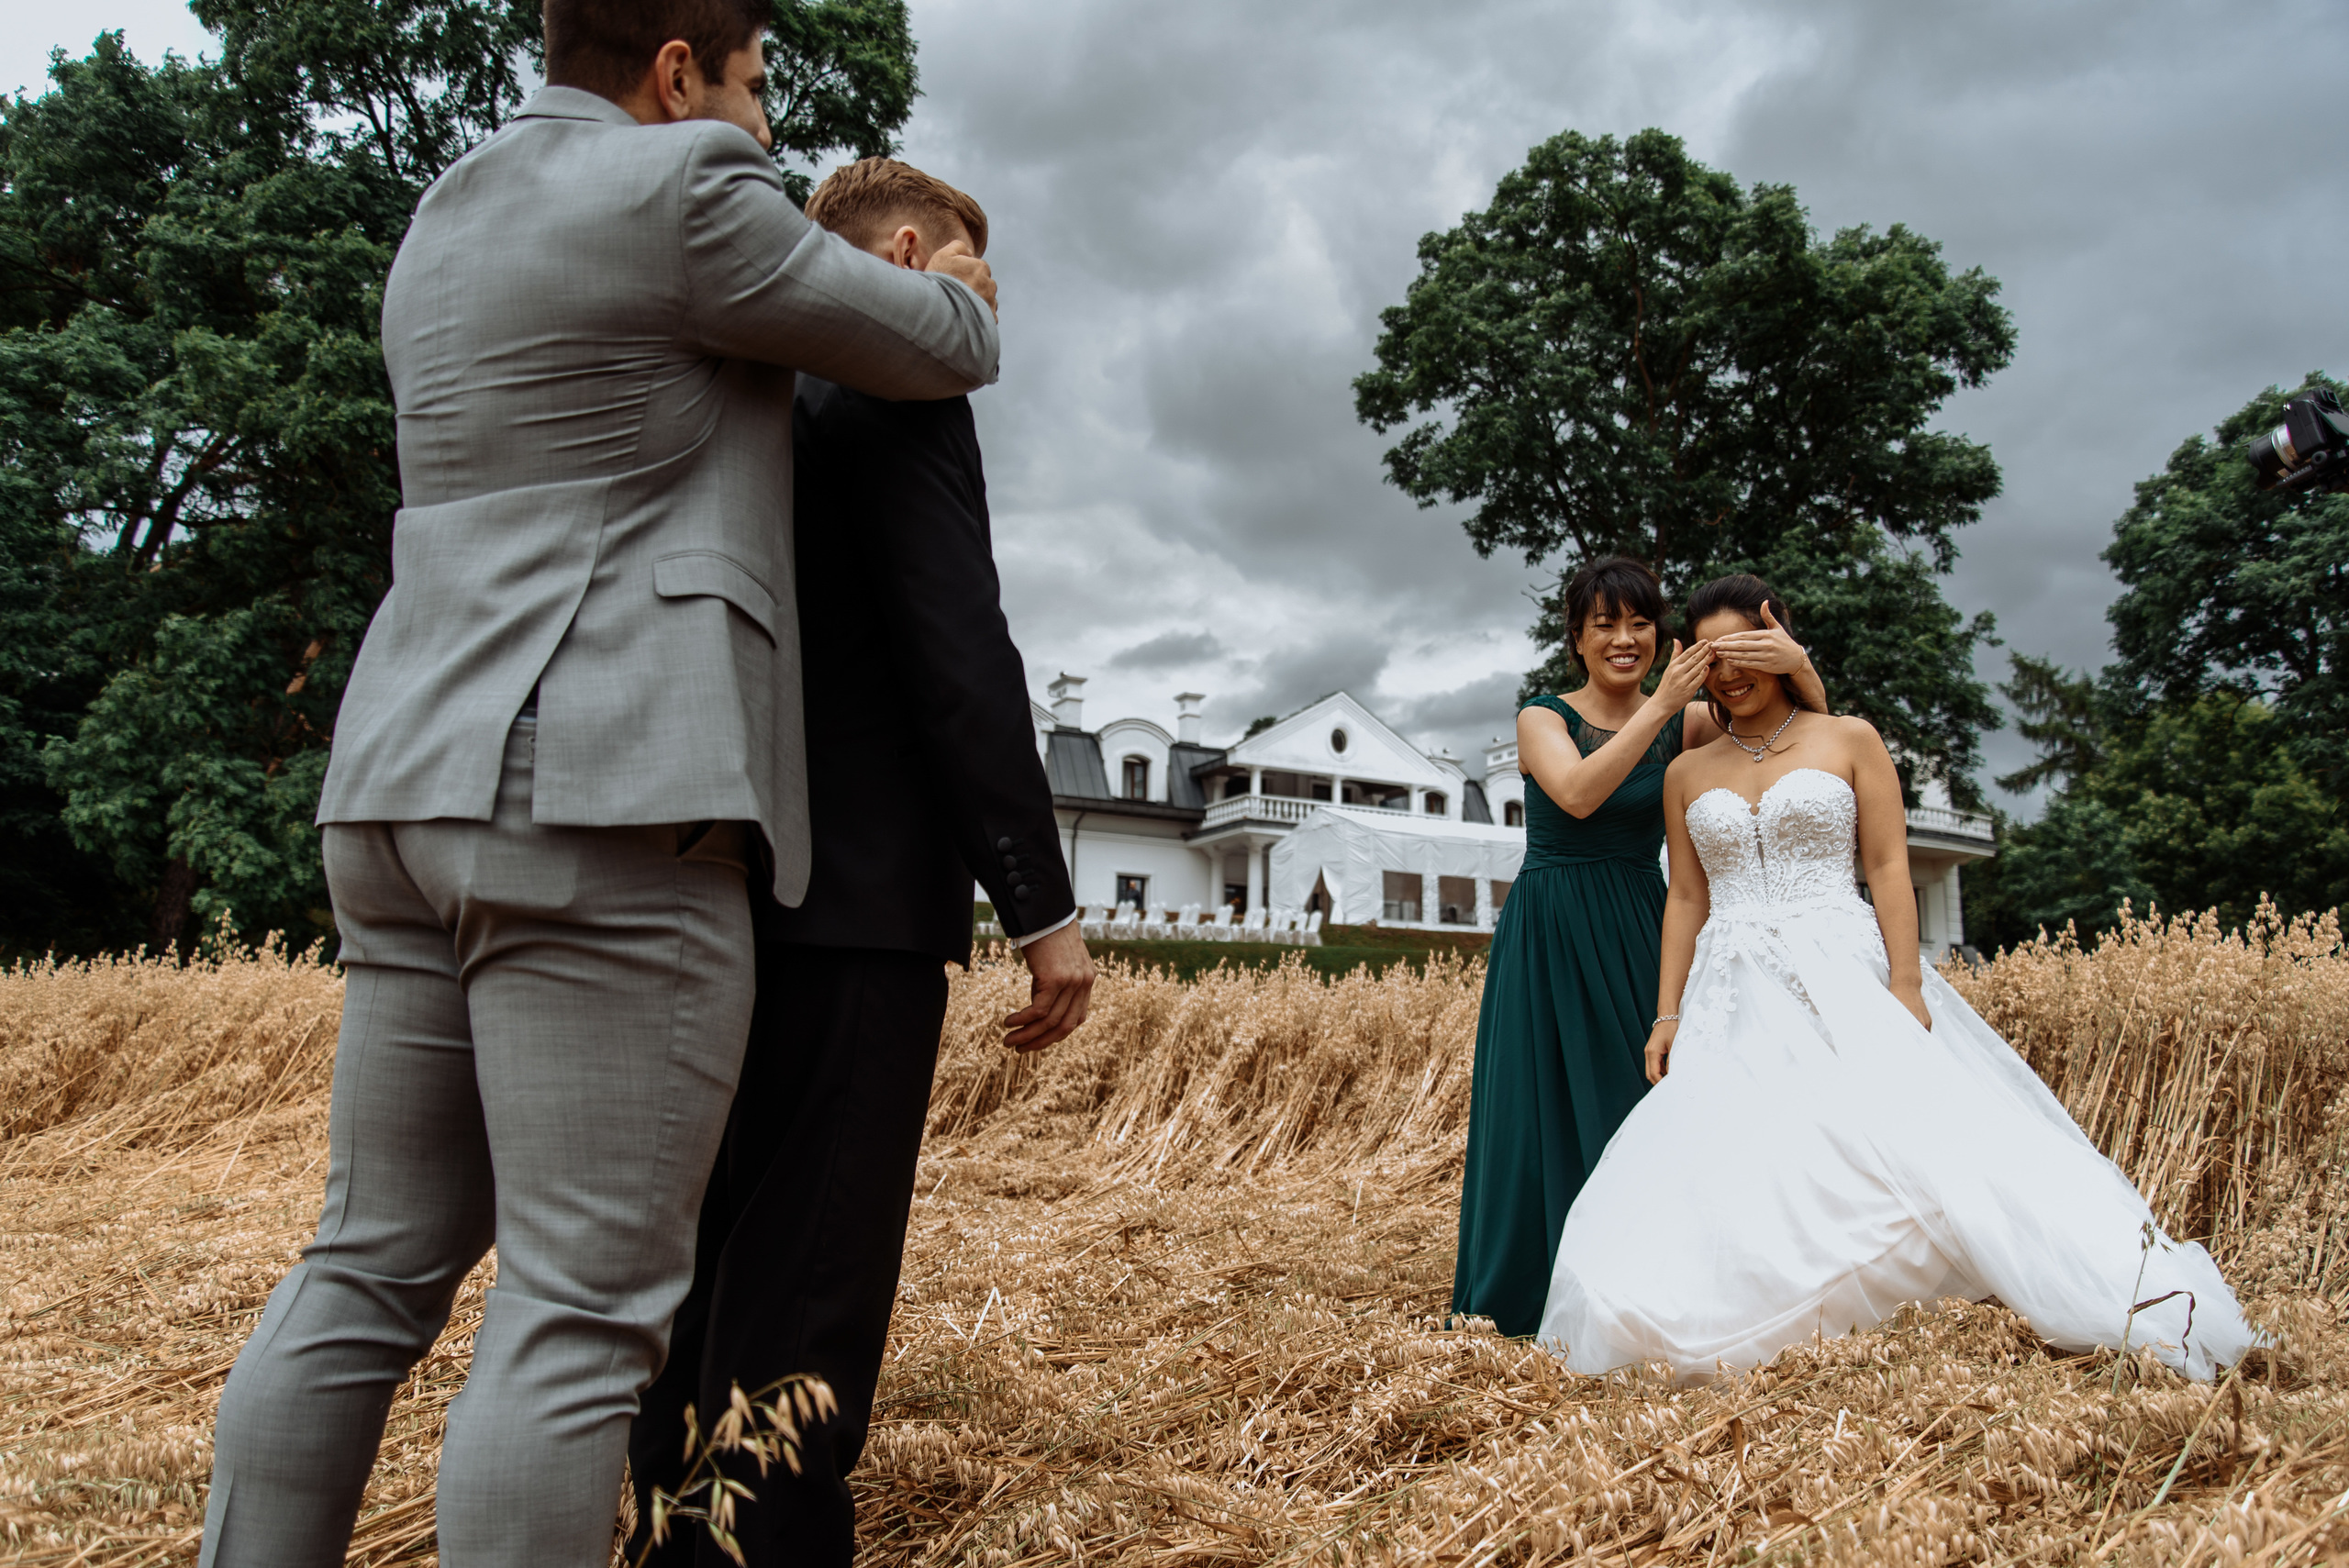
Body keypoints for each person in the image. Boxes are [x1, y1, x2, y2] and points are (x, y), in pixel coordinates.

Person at [198, 5, 1005, 1563]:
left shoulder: (446, 216)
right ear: (678, 71)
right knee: (579, 1306)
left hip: (398, 787)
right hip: (601, 797)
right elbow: (946, 345)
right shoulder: (689, 192)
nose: (770, 131)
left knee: (366, 1262)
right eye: (759, 87)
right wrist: (954, 276)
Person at [627, 157, 1091, 1567]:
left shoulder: (758, 403)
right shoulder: (902, 387)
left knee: (706, 1264)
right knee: (813, 1271)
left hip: (716, 883)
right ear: (908, 250)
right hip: (861, 906)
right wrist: (1042, 902)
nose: (992, 305)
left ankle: (668, 1532)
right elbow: (960, 653)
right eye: (982, 273)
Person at [1537, 573, 2256, 1381]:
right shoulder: (1686, 769)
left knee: (1906, 1136)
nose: (1731, 670)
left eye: (1748, 648)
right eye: (1713, 655)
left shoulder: (1850, 738)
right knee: (1740, 1149)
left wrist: (1907, 981)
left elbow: (1886, 863)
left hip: (1844, 966)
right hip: (1731, 987)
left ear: (1781, 644)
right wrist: (1667, 1014)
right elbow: (1687, 897)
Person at [1451, 557, 1826, 1337]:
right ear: (1577, 639)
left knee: (1646, 1101)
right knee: (1540, 1103)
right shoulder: (1542, 717)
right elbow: (1581, 793)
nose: (1625, 639)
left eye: (1640, 622)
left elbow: (1792, 738)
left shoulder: (1689, 721)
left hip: (1643, 921)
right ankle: (1529, 1291)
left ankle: (1645, 1285)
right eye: (1605, 625)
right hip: (1552, 921)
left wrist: (1800, 667)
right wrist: (1660, 705)